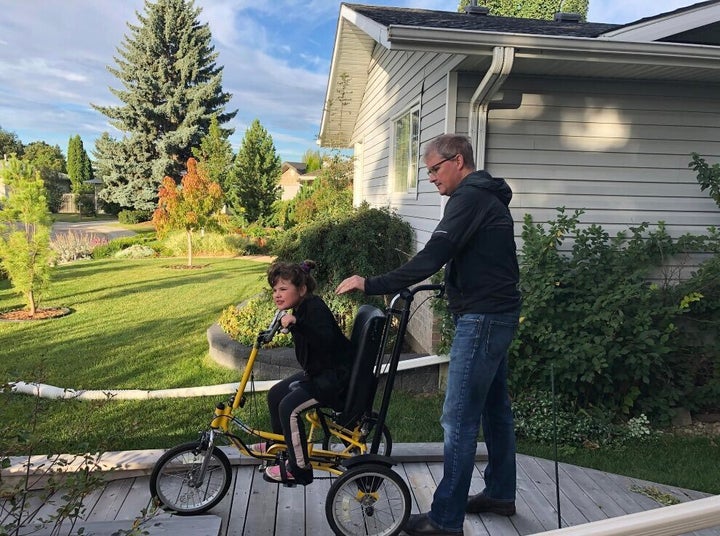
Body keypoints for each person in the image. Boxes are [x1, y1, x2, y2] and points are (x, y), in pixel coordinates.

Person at [335, 134, 521, 535]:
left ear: (458, 161)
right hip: (497, 315)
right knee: (494, 411)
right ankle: (501, 494)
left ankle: (445, 520)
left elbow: (433, 255)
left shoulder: (469, 198)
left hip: (483, 319)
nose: (431, 177)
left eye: (435, 169)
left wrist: (371, 282)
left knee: (458, 419)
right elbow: (477, 260)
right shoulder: (485, 197)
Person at [262, 260, 353, 485]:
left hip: (333, 379)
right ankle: (283, 450)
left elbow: (325, 340)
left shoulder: (314, 307)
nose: (277, 295)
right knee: (275, 394)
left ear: (301, 289)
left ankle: (299, 468)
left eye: (283, 289)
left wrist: (297, 324)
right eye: (275, 290)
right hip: (318, 373)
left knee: (288, 408)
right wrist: (293, 323)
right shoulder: (301, 308)